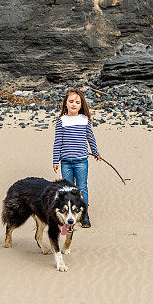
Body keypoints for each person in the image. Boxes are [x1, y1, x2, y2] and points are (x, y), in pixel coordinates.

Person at [52, 87, 101, 228]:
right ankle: (69, 215)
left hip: (81, 162)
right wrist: (56, 160)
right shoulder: (62, 121)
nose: (74, 104)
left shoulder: (84, 120)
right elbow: (58, 142)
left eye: (77, 102)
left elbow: (90, 138)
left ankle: (84, 216)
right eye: (71, 101)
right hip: (66, 162)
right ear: (65, 104)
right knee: (68, 189)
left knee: (82, 188)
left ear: (81, 105)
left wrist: (95, 152)